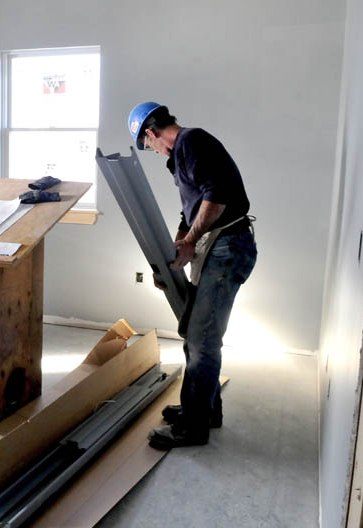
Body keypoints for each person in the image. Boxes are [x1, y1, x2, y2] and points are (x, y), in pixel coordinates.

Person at [127, 102, 257, 449]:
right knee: (197, 334)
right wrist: (171, 259)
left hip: (227, 248)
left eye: (147, 144)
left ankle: (193, 427)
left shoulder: (192, 142)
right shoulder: (184, 156)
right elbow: (193, 210)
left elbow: (215, 198)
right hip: (217, 249)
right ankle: (206, 410)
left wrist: (188, 241)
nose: (151, 150)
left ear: (150, 133)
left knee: (202, 340)